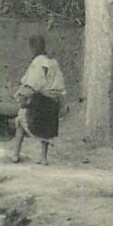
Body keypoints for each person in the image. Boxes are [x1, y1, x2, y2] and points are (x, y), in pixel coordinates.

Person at [13, 34, 66, 164]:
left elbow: (34, 83)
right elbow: (60, 85)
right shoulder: (53, 62)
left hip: (40, 101)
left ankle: (15, 154)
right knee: (46, 130)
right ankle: (43, 158)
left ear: (33, 48)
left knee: (20, 120)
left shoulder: (38, 62)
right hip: (52, 102)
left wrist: (22, 94)